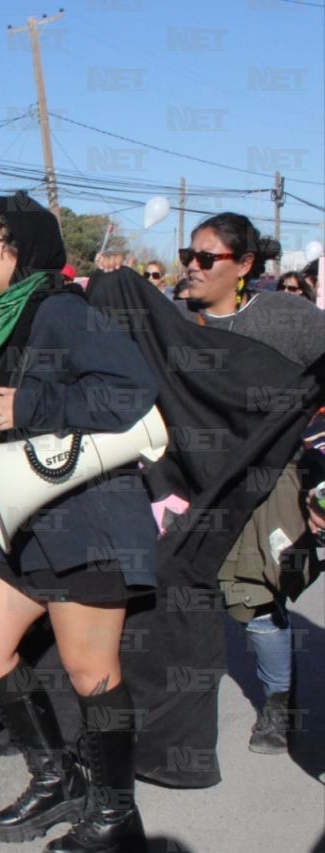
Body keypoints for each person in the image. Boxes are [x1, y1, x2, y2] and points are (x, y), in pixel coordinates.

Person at [0, 192, 158, 852]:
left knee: (89, 670)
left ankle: (114, 816)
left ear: (20, 251)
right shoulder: (3, 319)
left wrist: (34, 402)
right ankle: (56, 779)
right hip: (34, 519)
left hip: (90, 518)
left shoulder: (61, 310)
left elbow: (134, 389)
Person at [176, 213, 325, 754]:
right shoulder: (170, 321)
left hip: (266, 482)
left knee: (255, 599)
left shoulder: (288, 318)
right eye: (187, 256)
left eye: (206, 258)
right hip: (187, 482)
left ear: (243, 266)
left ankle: (278, 708)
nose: (192, 267)